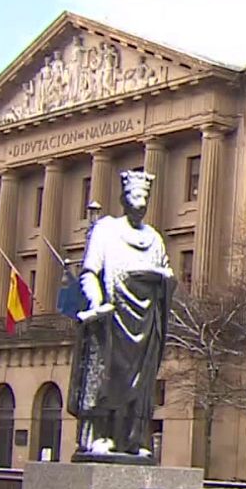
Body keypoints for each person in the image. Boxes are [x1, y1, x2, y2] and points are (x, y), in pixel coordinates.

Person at [67, 169, 175, 460]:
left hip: (144, 321)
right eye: (134, 197)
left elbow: (168, 276)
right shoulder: (106, 230)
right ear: (123, 199)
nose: (139, 203)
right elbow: (89, 272)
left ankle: (132, 438)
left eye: (144, 199)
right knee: (106, 377)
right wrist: (96, 302)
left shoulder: (154, 239)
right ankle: (100, 435)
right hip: (112, 318)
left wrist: (163, 278)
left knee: (140, 382)